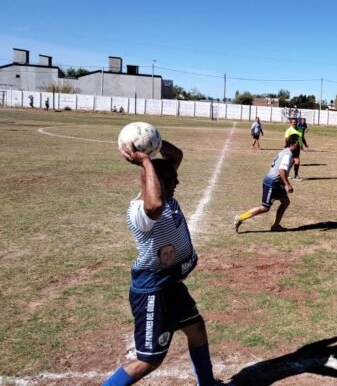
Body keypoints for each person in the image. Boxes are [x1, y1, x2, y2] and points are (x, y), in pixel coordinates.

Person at [105, 140, 219, 386]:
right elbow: (154, 205)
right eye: (170, 181)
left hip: (170, 284)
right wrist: (145, 162)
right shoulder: (140, 212)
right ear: (151, 182)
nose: (177, 183)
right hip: (153, 290)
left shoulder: (166, 197)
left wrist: (153, 142)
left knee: (196, 328)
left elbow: (176, 154)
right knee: (149, 360)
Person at [234, 134, 300, 232]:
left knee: (285, 202)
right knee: (264, 208)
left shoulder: (285, 152)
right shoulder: (288, 154)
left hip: (277, 183)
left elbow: (282, 168)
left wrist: (292, 163)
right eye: (298, 142)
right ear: (294, 143)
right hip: (272, 182)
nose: (299, 145)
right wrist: (287, 184)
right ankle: (240, 218)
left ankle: (275, 226)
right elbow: (281, 170)